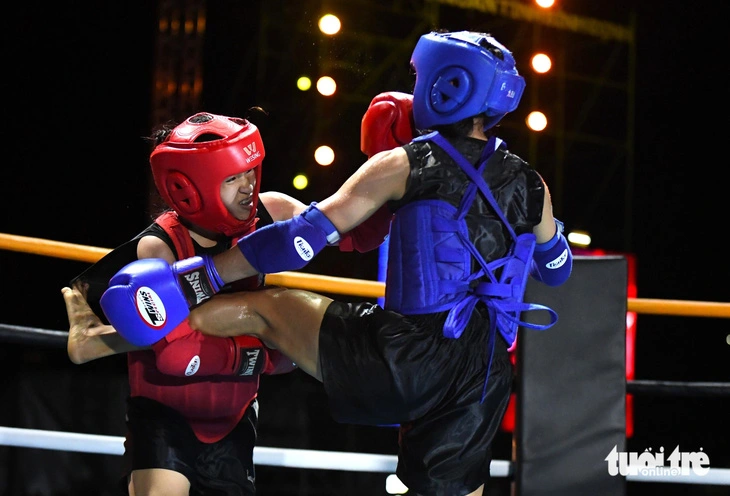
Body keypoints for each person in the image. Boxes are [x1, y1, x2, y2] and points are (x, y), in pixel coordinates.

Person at [99, 31, 573, 496]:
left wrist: (208, 274)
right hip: (484, 371)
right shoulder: (534, 185)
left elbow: (300, 240)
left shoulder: (406, 163)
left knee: (267, 307)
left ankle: (162, 319)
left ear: (446, 85)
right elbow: (557, 269)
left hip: (405, 356)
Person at [62, 111, 304, 496]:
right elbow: (177, 344)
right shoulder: (159, 245)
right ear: (192, 188)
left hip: (234, 412)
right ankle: (97, 339)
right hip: (164, 409)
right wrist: (267, 351)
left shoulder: (272, 210)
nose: (248, 187)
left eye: (250, 172)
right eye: (232, 178)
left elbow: (335, 222)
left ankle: (99, 340)